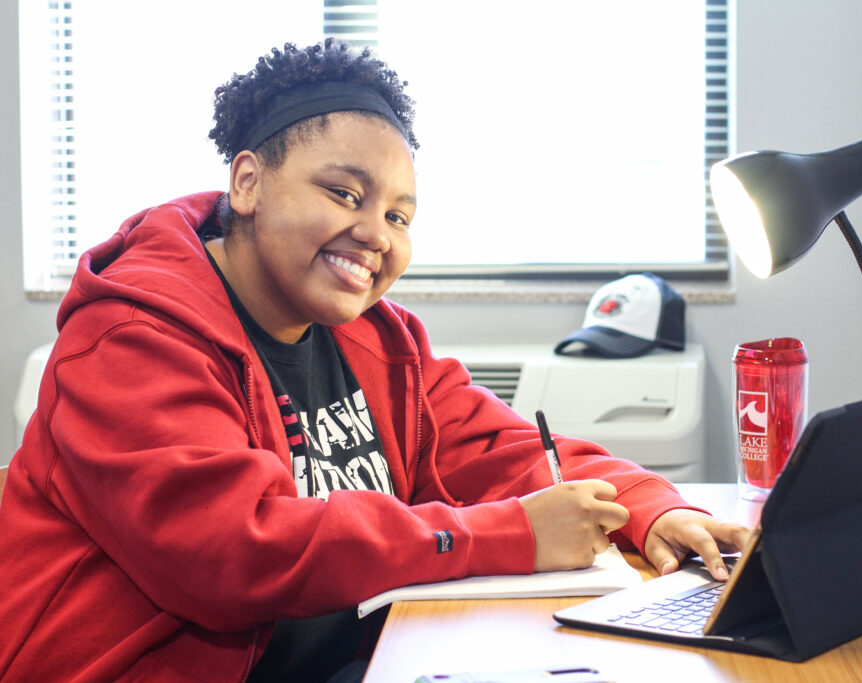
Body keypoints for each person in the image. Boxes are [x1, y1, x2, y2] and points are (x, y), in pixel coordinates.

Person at [0, 39, 750, 682]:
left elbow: (504, 450)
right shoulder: (127, 340)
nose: (375, 233)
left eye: (398, 214)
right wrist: (504, 533)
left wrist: (654, 509)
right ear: (248, 181)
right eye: (343, 192)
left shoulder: (379, 340)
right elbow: (234, 550)